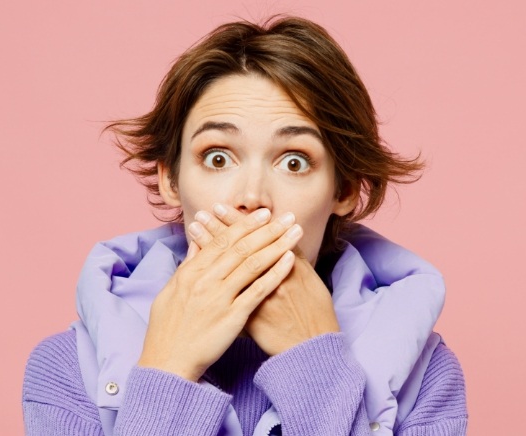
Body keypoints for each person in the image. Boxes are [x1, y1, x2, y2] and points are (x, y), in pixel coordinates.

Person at [23, 16, 467, 435]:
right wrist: (168, 368)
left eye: (294, 161)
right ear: (170, 179)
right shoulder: (69, 369)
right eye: (218, 158)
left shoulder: (425, 376)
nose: (252, 196)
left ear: (344, 189)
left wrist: (316, 371)